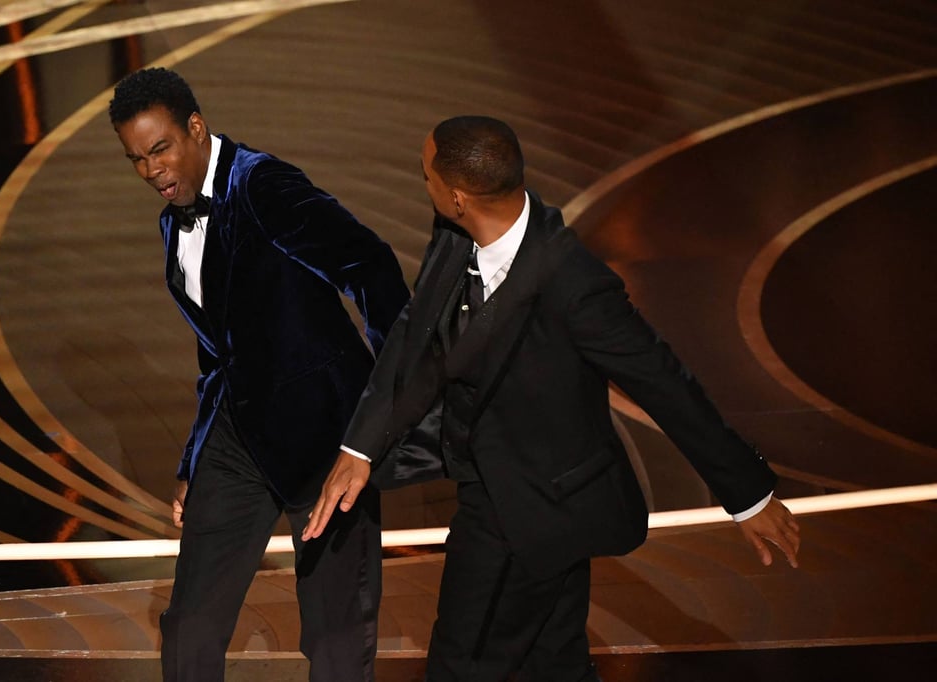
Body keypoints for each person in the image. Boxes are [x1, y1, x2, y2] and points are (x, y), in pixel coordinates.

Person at [303, 115, 801, 681]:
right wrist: (363, 446)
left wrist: (748, 496)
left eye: (427, 176)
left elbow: (664, 382)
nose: (425, 184)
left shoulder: (574, 284)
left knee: (461, 667)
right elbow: (417, 335)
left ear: (459, 197)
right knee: (554, 663)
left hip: (529, 506)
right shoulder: (454, 234)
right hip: (517, 496)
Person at [108, 67, 409, 682]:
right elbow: (218, 350)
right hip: (238, 440)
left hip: (326, 442)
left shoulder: (263, 185)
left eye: (160, 149)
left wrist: (379, 416)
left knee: (334, 636)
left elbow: (372, 267)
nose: (152, 171)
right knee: (189, 625)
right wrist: (194, 462)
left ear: (196, 128)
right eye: (136, 159)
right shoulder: (174, 221)